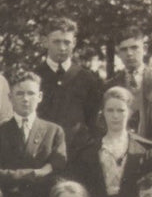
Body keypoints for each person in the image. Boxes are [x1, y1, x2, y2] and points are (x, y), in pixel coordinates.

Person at [72, 86, 152, 197]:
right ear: (103, 112)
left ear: (130, 113)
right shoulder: (88, 151)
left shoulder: (145, 149)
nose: (115, 116)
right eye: (110, 110)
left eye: (120, 110)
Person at [0, 71, 68, 197]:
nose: (25, 98)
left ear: (40, 96)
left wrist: (14, 175)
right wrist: (35, 173)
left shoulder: (54, 131)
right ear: (10, 98)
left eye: (31, 93)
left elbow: (58, 166)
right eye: (20, 93)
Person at [35, 17, 103, 152]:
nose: (62, 48)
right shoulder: (34, 77)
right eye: (56, 42)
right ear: (45, 42)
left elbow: (93, 120)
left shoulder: (87, 78)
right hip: (42, 152)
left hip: (78, 153)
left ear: (74, 43)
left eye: (67, 42)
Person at [108, 26, 152, 142]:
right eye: (124, 49)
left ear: (145, 49)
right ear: (118, 53)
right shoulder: (111, 85)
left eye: (134, 47)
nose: (129, 53)